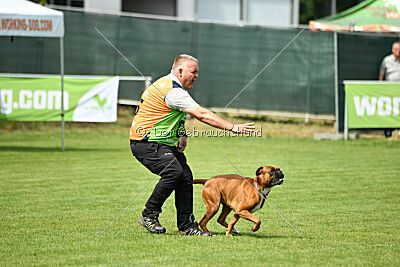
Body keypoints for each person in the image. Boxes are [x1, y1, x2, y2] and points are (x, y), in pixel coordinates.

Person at [129, 54, 255, 236]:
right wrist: (232, 127)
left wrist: (182, 134)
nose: (196, 76)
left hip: (161, 142)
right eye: (193, 72)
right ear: (180, 71)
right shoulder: (173, 91)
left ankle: (186, 226)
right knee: (174, 172)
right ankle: (149, 214)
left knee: (185, 177)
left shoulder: (168, 85)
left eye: (197, 72)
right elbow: (202, 114)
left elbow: (170, 113)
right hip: (146, 143)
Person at [378, 41, 400, 137]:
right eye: (397, 49)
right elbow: (381, 74)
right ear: (392, 50)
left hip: (399, 90)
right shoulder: (387, 60)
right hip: (389, 90)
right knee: (388, 110)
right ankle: (388, 131)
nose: (398, 51)